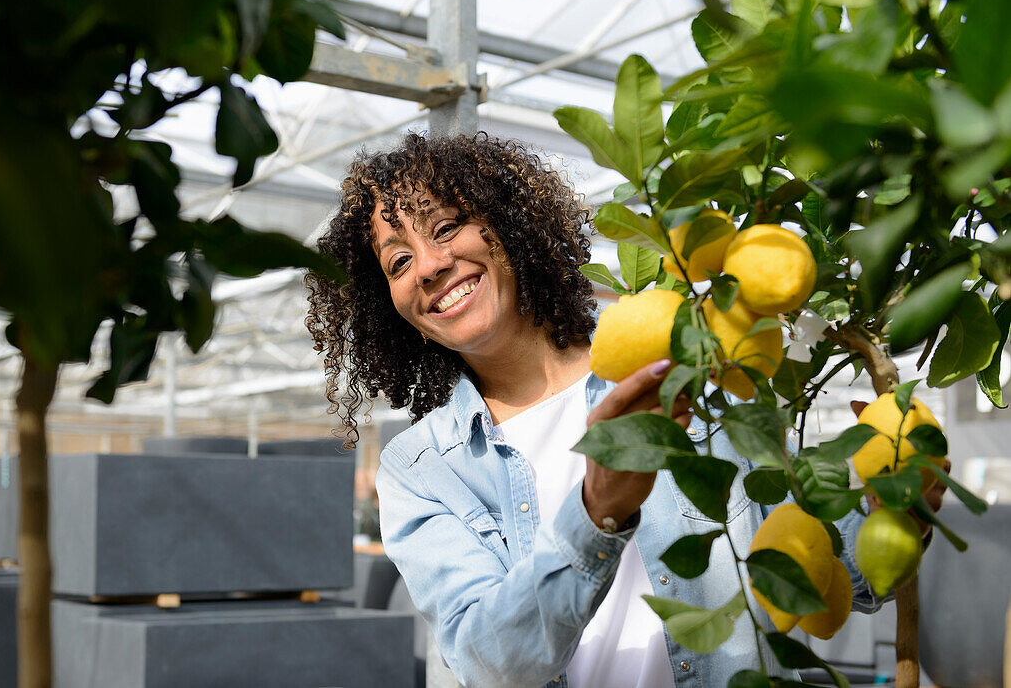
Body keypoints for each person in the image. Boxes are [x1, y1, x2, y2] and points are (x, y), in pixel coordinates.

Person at [305, 132, 925, 688]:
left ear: (507, 225)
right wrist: (594, 514)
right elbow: (490, 665)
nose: (432, 266)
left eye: (444, 228)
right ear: (387, 302)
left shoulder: (682, 357)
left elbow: (812, 561)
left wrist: (891, 513)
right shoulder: (422, 468)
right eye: (399, 262)